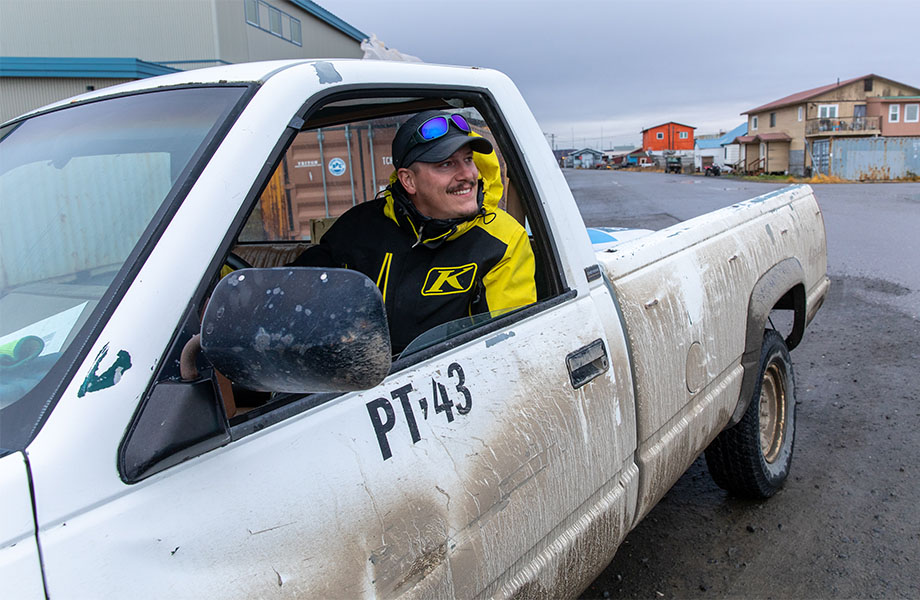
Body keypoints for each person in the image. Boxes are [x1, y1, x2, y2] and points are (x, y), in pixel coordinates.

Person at [292, 110, 536, 353]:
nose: (468, 175)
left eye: (468, 159)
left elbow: (510, 348)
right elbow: (298, 295)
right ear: (408, 180)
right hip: (350, 380)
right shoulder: (359, 225)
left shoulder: (502, 239)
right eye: (447, 164)